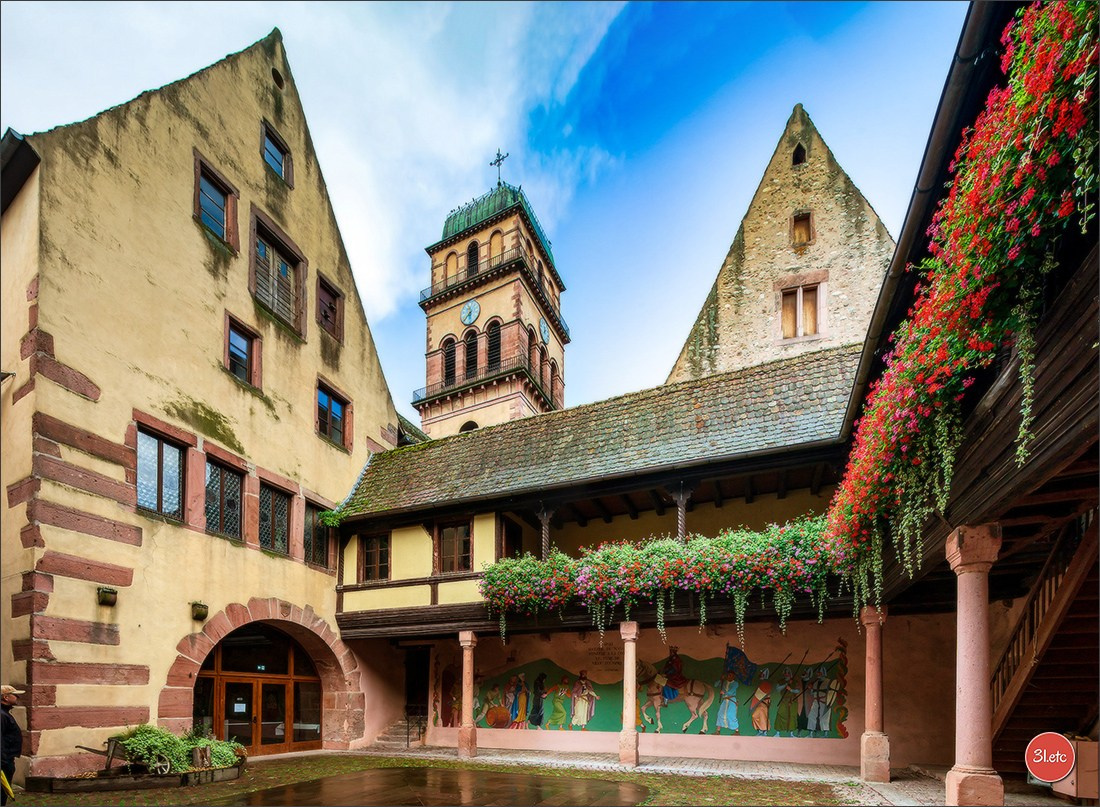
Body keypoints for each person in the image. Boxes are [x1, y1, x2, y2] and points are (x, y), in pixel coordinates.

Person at [1, 685, 24, 807]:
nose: (17, 697)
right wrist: (3, 762)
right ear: (5, 697)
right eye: (14, 695)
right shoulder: (2, 715)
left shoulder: (5, 713)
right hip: (4, 762)